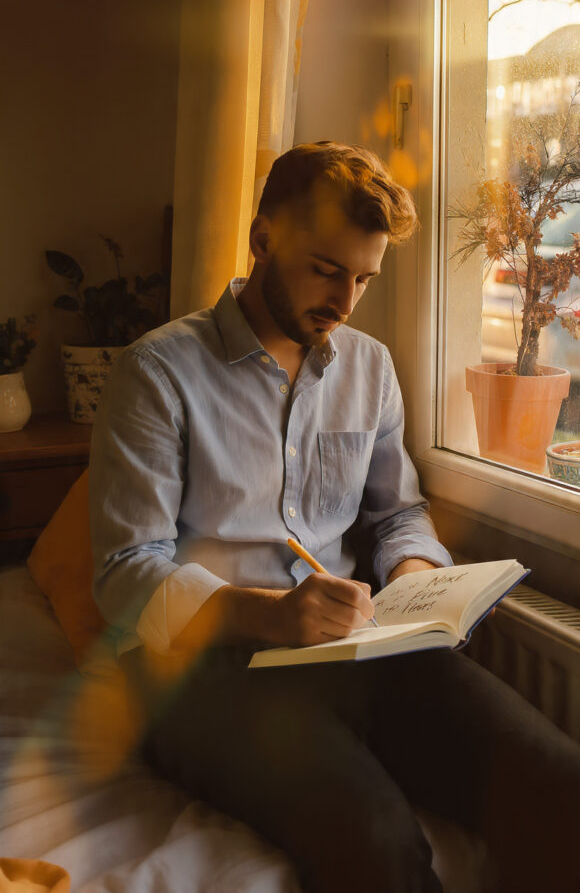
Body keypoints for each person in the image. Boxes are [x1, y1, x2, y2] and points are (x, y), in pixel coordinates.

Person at [89, 142, 580, 893]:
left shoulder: (370, 368)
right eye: (325, 270)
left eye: (363, 279)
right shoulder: (156, 374)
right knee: (376, 841)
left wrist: (415, 579)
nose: (345, 302)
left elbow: (398, 515)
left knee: (558, 786)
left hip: (353, 648)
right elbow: (125, 575)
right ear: (262, 241)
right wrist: (272, 615)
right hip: (197, 672)